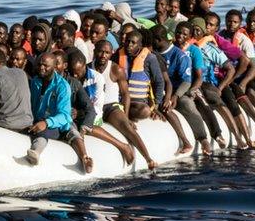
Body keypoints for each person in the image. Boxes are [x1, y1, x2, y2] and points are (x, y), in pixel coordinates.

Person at [91, 39, 157, 167]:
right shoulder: (88, 67)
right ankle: (122, 146)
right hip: (94, 107)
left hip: (110, 107)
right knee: (86, 126)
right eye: (100, 52)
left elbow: (126, 94)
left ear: (111, 53)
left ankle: (148, 158)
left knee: (126, 126)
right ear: (94, 52)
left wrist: (126, 117)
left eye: (107, 53)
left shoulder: (116, 69)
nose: (103, 55)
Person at [151, 24, 213, 154]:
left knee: (187, 104)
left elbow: (186, 81)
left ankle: (202, 139)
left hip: (180, 90)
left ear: (158, 39)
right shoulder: (153, 54)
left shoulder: (180, 55)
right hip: (161, 90)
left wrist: (175, 96)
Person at [27, 52, 93, 173]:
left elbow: (64, 115)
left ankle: (84, 158)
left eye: (46, 66)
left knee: (72, 133)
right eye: (40, 64)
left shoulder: (63, 86)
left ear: (54, 67)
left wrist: (46, 123)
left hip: (58, 124)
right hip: (39, 120)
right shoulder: (35, 81)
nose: (42, 68)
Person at [189, 18, 249, 148]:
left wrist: (220, 87)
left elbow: (230, 68)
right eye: (192, 29)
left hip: (208, 82)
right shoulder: (185, 47)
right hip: (191, 83)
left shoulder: (209, 48)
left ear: (203, 32)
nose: (194, 32)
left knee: (217, 101)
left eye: (197, 30)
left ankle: (239, 137)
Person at [116, 30, 166, 122]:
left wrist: (156, 106)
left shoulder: (150, 58)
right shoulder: (117, 55)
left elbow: (159, 81)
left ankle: (127, 115)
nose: (129, 45)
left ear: (140, 45)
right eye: (127, 41)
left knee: (145, 111)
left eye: (133, 43)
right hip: (120, 100)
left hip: (138, 103)